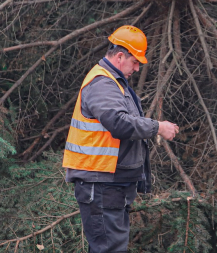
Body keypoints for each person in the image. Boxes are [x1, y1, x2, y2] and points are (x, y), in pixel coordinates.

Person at [63, 25, 179, 253]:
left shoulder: (113, 82)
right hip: (101, 182)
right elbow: (119, 123)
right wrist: (158, 127)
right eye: (135, 62)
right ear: (119, 56)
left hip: (108, 183)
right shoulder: (102, 84)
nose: (137, 68)